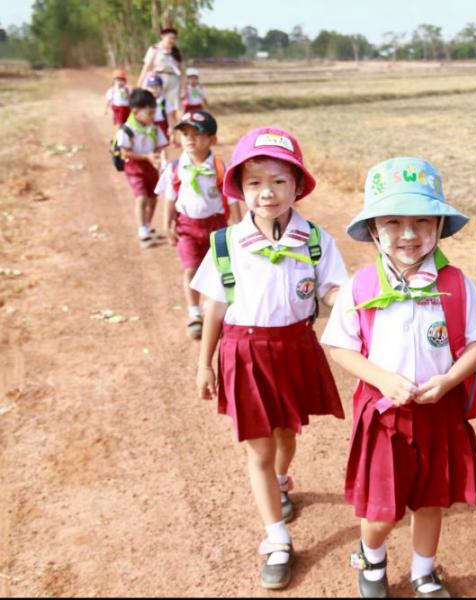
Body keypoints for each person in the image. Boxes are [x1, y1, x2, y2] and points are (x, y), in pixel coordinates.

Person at [321, 157, 476, 598]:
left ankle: (423, 571)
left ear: (439, 226)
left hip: (440, 413)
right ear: (373, 229)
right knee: (380, 511)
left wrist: (450, 380)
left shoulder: (455, 283)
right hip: (384, 419)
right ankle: (372, 556)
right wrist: (381, 379)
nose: (408, 234)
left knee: (431, 500)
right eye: (393, 222)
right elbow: (340, 347)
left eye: (422, 221)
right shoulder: (361, 286)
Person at [190, 127, 347, 590]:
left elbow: (333, 290)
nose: (268, 193)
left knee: (286, 433)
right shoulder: (226, 244)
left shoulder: (314, 240)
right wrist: (204, 363)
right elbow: (214, 306)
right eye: (255, 182)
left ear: (297, 186)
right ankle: (277, 539)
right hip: (244, 351)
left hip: (296, 347)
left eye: (279, 181)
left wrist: (353, 301)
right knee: (258, 445)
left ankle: (281, 479)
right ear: (240, 188)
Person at [156, 110, 240, 339]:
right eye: (185, 134)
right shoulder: (175, 168)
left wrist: (239, 226)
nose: (190, 139)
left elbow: (232, 199)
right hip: (187, 227)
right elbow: (170, 198)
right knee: (191, 268)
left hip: (217, 227)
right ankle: (194, 312)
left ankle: (213, 309)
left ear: (213, 139)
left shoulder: (221, 168)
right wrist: (167, 225)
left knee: (219, 270)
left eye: (198, 134)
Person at [115, 89, 168, 249]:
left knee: (153, 198)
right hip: (135, 168)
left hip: (152, 167)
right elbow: (125, 152)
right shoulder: (127, 130)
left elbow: (161, 146)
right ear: (135, 111)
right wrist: (147, 156)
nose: (153, 116)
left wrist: (161, 161)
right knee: (141, 197)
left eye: (154, 112)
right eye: (149, 113)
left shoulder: (154, 128)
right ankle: (142, 230)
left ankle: (147, 226)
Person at [137, 26, 183, 132]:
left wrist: (183, 86)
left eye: (174, 38)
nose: (172, 40)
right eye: (170, 38)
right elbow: (146, 67)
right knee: (154, 106)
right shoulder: (154, 49)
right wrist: (140, 82)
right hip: (157, 81)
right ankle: (150, 130)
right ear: (163, 37)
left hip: (173, 82)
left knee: (172, 109)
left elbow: (182, 71)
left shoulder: (175, 52)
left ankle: (172, 133)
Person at [145, 74, 175, 141]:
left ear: (161, 88)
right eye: (152, 87)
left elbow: (169, 115)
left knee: (163, 142)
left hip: (162, 125)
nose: (154, 90)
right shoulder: (145, 101)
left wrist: (171, 127)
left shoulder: (164, 101)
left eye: (157, 87)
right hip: (149, 125)